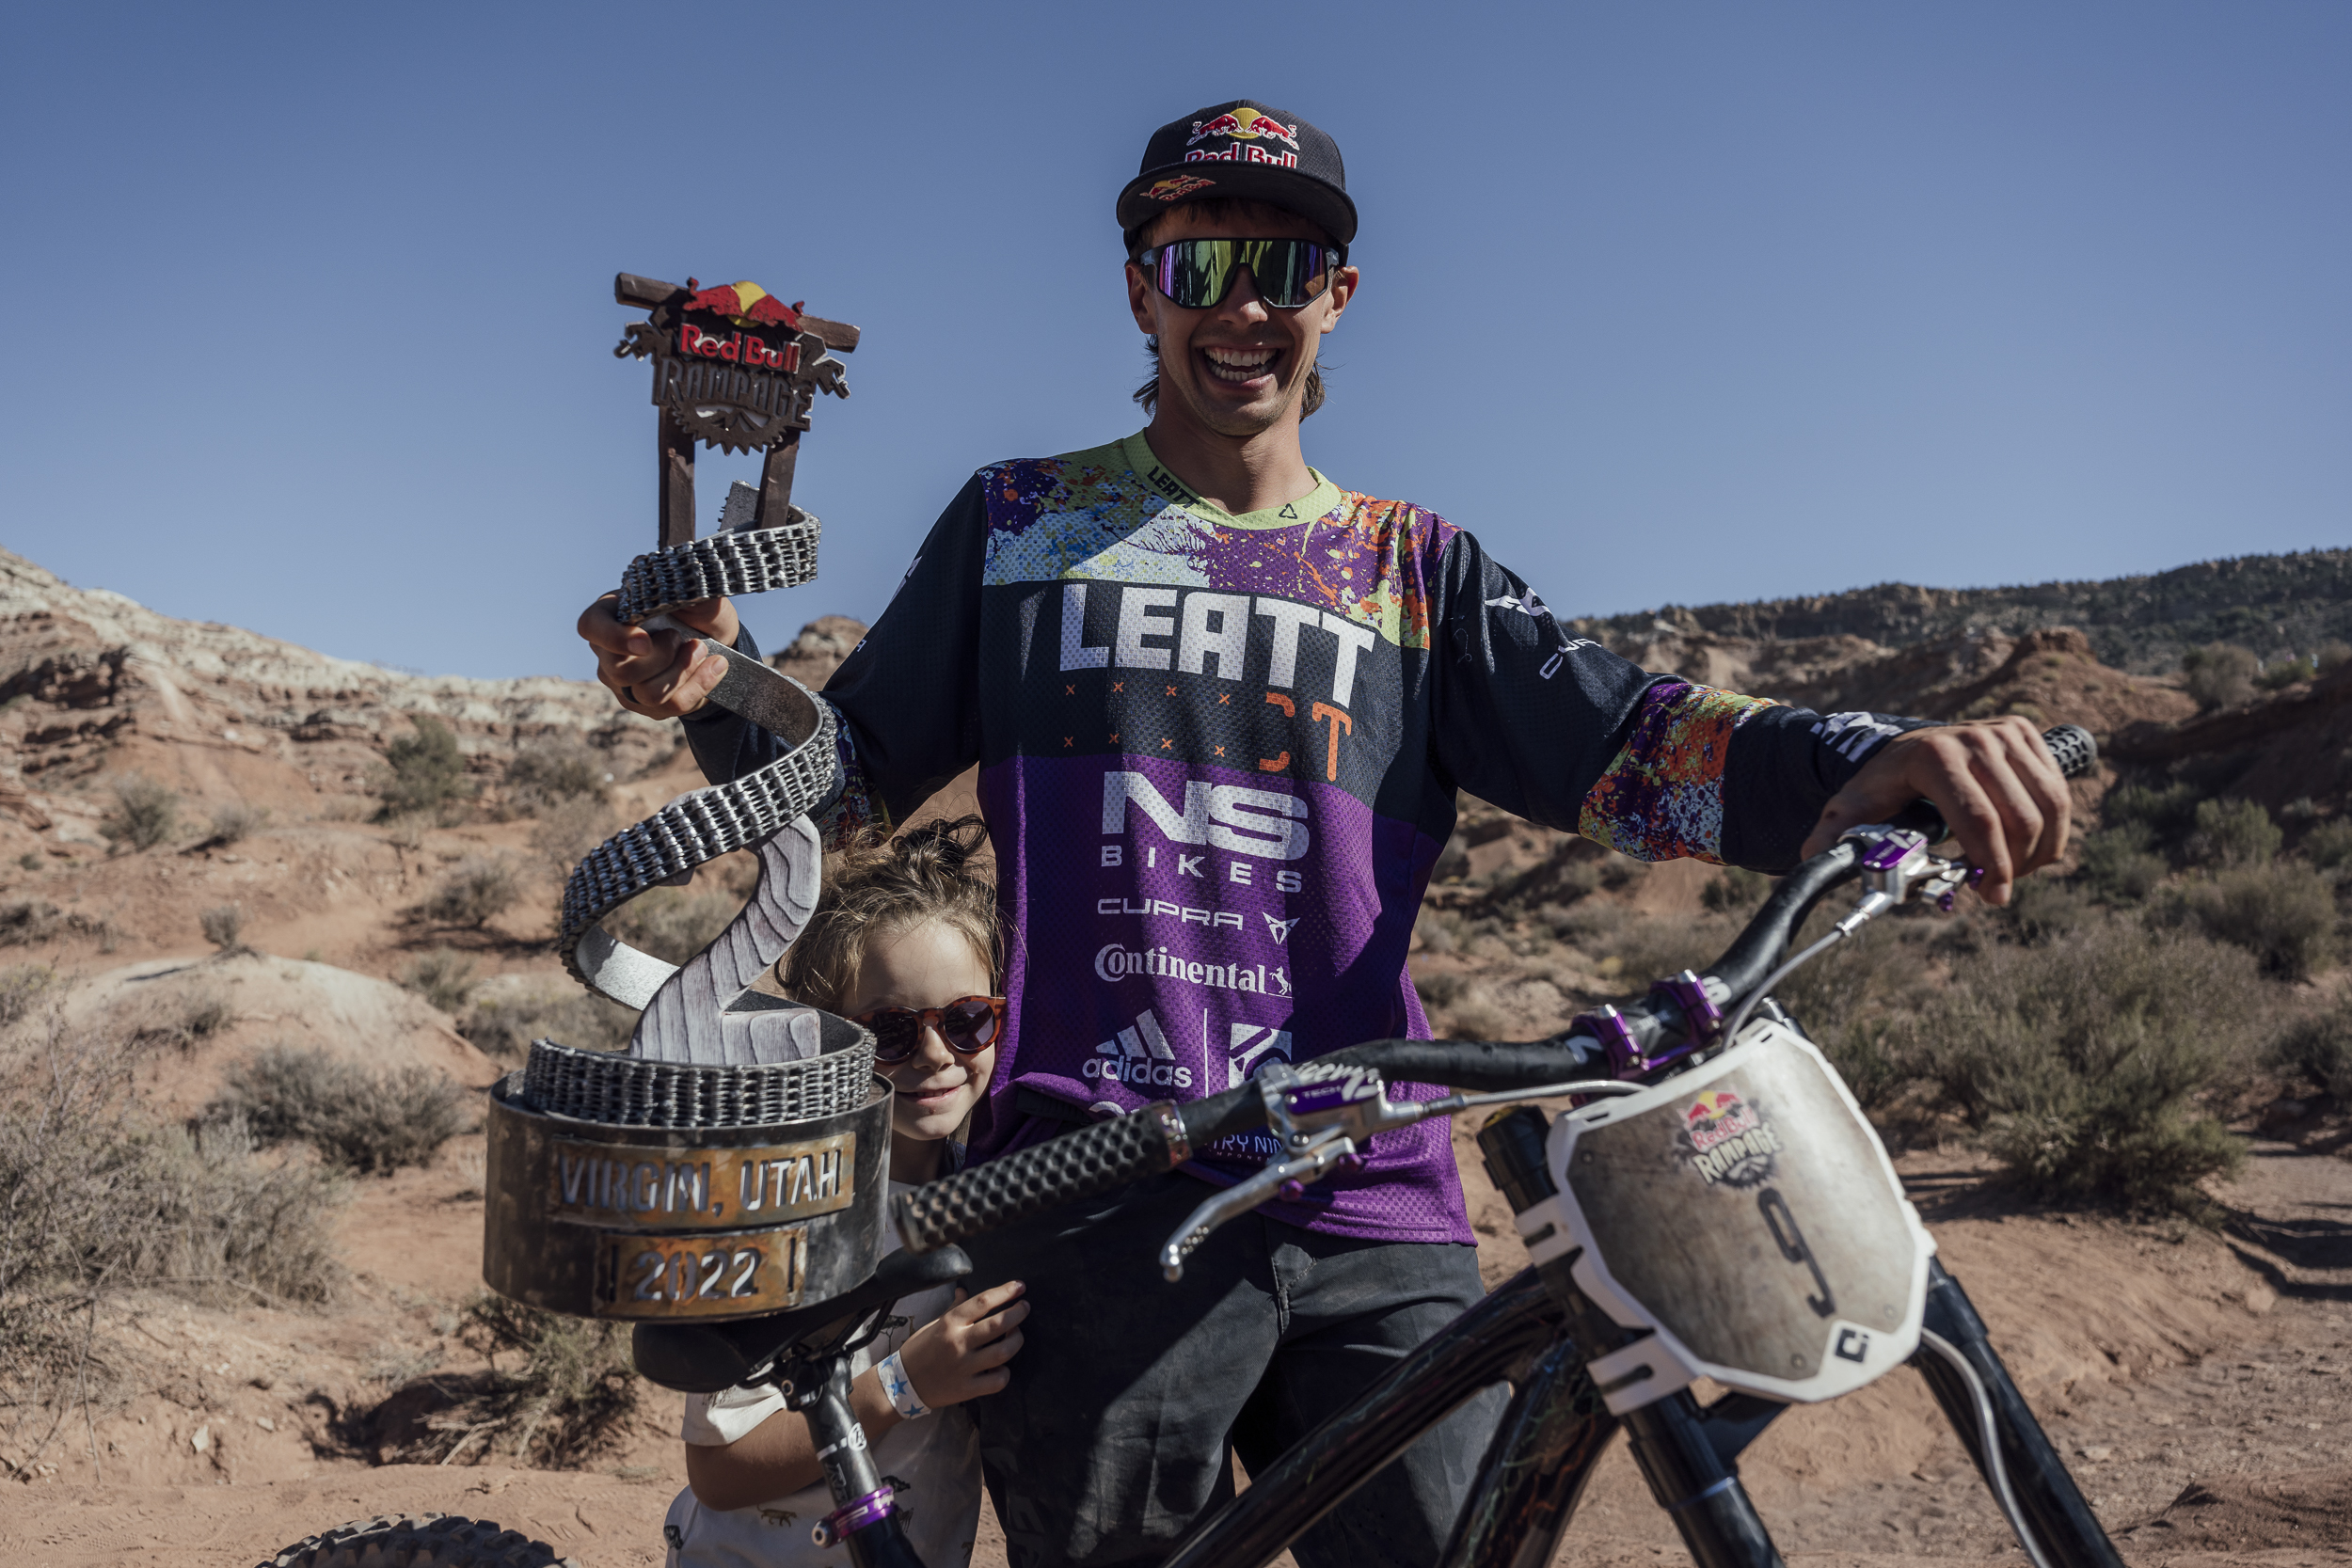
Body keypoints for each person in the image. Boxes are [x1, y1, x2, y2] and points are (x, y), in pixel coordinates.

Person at [592, 100, 2072, 1568]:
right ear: (1138, 291)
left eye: (1284, 270)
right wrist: (719, 688)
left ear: (1337, 300)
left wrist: (1866, 758)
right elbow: (846, 785)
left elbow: (1630, 744)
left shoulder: (1412, 571)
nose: (1241, 305)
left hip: (1371, 1185)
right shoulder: (1020, 528)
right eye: (1197, 264)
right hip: (1099, 1195)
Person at [662, 817, 1028, 1568]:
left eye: (967, 1020)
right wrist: (905, 1382)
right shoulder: (782, 1206)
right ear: (825, 1036)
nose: (936, 1055)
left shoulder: (994, 1191)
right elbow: (720, 1468)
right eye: (892, 1031)